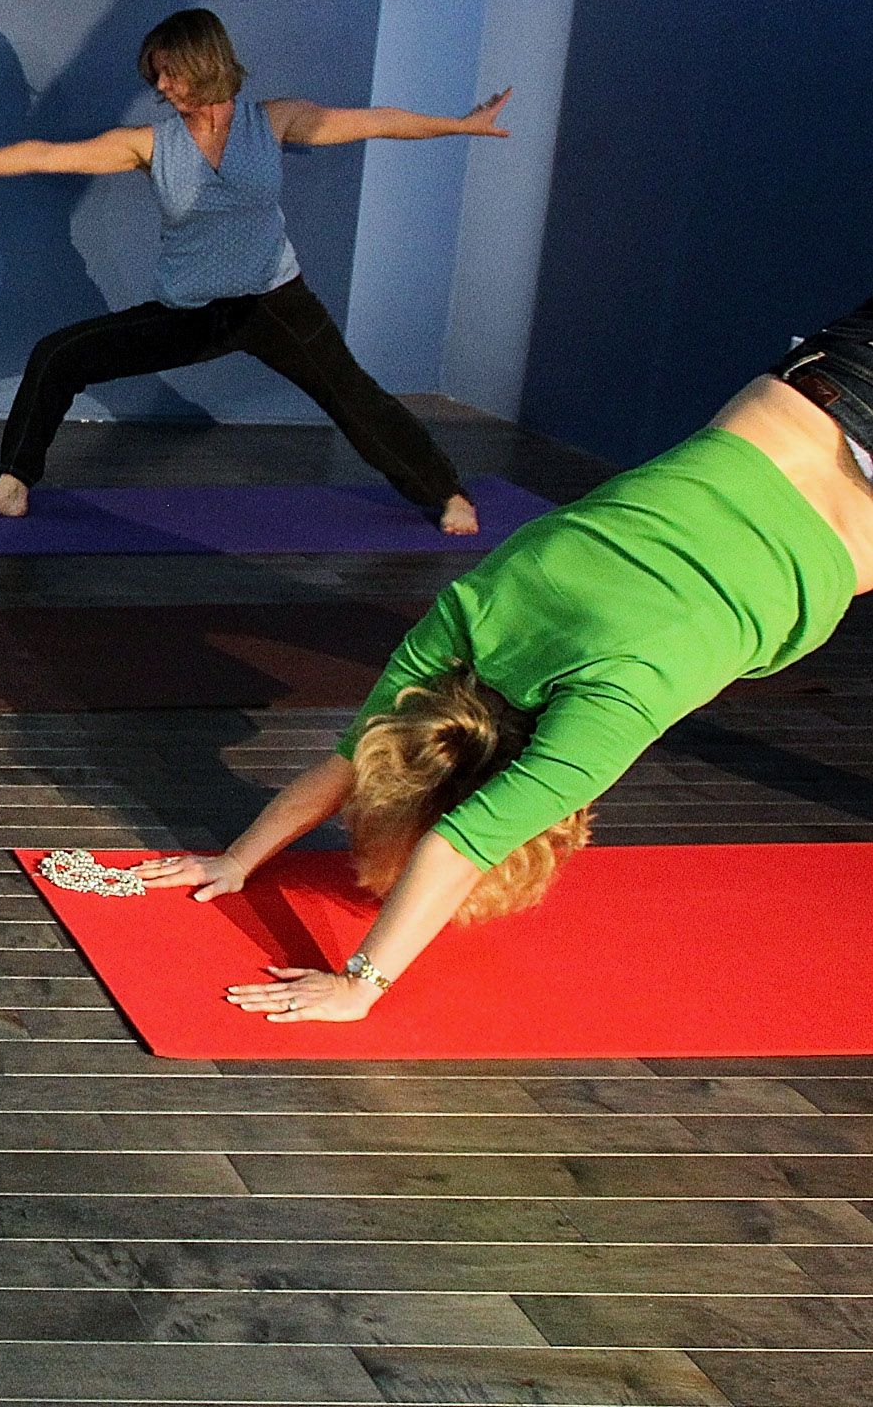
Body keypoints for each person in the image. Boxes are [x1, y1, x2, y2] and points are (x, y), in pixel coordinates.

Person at [133, 303, 873, 1022]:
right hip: (820, 388)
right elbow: (351, 763)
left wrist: (360, 985)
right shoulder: (469, 616)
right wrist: (237, 860)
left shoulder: (617, 703)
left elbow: (463, 841)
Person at [0, 8, 507, 535]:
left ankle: (446, 492)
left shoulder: (274, 120)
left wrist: (460, 124)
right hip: (188, 312)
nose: (162, 84)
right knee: (59, 355)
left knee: (355, 399)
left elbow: (375, 121)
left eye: (171, 70)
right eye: (155, 73)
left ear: (206, 60)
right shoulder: (150, 143)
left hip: (274, 303)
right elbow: (47, 156)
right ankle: (12, 484)